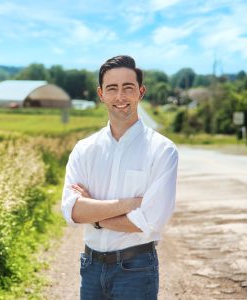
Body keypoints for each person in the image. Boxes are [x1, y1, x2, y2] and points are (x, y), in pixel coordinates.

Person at [61, 55, 178, 300]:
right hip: (90, 268)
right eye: (112, 88)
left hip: (136, 269)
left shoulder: (162, 150)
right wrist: (130, 204)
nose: (120, 97)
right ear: (101, 94)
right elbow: (72, 212)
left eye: (128, 88)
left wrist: (95, 216)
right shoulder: (84, 149)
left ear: (141, 92)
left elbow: (150, 221)